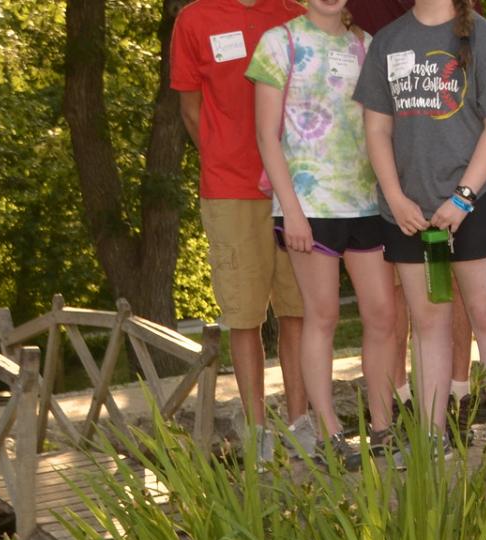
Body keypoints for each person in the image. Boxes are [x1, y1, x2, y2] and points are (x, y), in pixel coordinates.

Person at [353, 0, 486, 449]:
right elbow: (376, 129)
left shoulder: (482, 35)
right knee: (429, 324)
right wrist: (394, 197)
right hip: (409, 212)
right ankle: (432, 436)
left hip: (477, 200)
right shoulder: (388, 41)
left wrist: (463, 198)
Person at [249, 0, 402, 457]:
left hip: (366, 200)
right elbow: (265, 136)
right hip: (308, 204)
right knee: (323, 317)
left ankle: (382, 427)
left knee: (383, 316)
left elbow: (383, 125)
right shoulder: (279, 43)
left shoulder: (367, 45)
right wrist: (291, 211)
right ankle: (331, 434)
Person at [170, 0, 309, 462]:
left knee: (299, 311)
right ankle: (257, 433)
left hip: (300, 185)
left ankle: (301, 423)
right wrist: (227, 157)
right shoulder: (195, 18)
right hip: (231, 189)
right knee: (244, 316)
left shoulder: (294, 13)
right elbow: (191, 112)